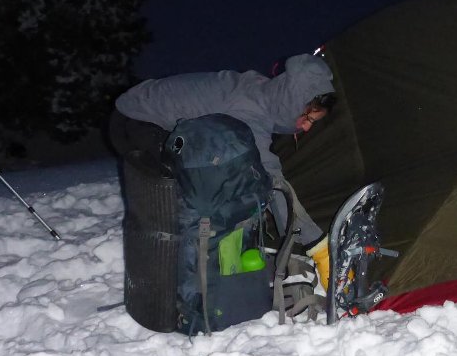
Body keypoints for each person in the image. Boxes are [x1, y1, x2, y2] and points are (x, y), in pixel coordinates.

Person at [108, 53, 335, 260]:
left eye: (312, 123)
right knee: (179, 196)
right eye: (307, 118)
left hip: (149, 118)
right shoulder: (251, 110)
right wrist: (317, 246)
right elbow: (273, 182)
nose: (306, 128)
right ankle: (172, 271)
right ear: (292, 101)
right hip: (135, 120)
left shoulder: (265, 93)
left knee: (215, 179)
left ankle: (208, 264)